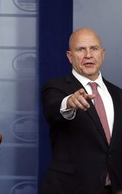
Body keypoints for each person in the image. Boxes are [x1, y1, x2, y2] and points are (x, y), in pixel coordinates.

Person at [40, 28, 122, 194]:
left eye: (94, 48)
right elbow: (54, 108)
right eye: (80, 49)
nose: (88, 55)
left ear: (102, 53)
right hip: (70, 188)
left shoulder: (118, 94)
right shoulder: (56, 88)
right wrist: (69, 103)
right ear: (70, 57)